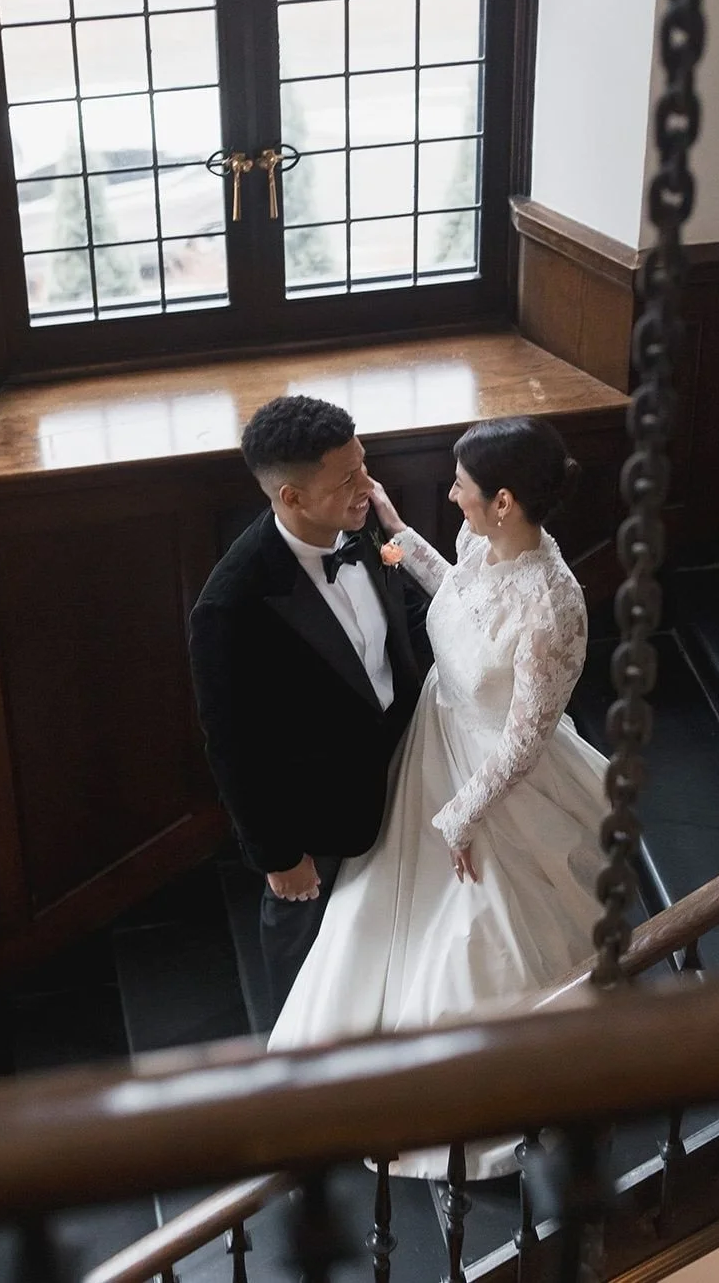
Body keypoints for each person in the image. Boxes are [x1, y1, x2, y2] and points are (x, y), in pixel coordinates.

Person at [267, 415, 608, 1180]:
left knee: (481, 930)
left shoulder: (555, 608)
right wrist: (388, 535)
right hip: (435, 734)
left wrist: (459, 816)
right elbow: (451, 592)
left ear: (504, 501)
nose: (449, 493)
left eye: (460, 485)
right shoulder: (475, 543)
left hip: (491, 778)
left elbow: (524, 739)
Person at [188, 395, 432, 1018]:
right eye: (346, 478)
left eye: (363, 463)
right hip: (318, 812)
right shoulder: (231, 606)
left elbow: (398, 590)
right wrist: (279, 858)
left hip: (406, 761)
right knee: (303, 951)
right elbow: (232, 749)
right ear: (290, 498)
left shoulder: (365, 521)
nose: (367, 485)